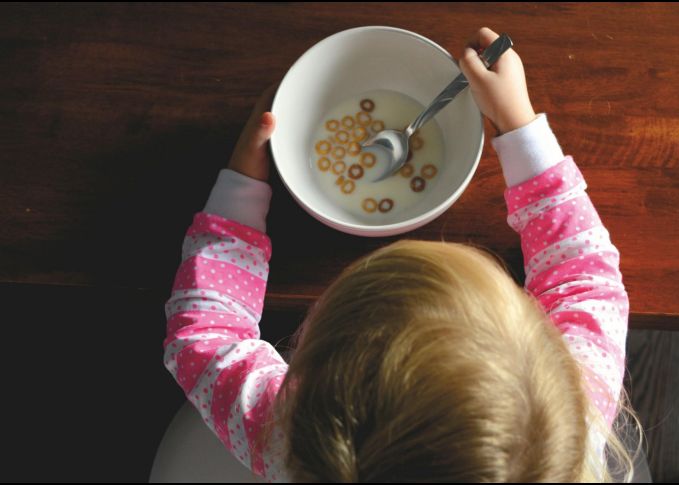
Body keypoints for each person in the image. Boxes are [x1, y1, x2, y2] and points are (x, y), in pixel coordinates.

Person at [163, 27, 640, 482]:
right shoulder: (573, 414)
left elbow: (205, 335)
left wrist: (241, 187)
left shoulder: (286, 435)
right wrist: (518, 123)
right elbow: (583, 275)